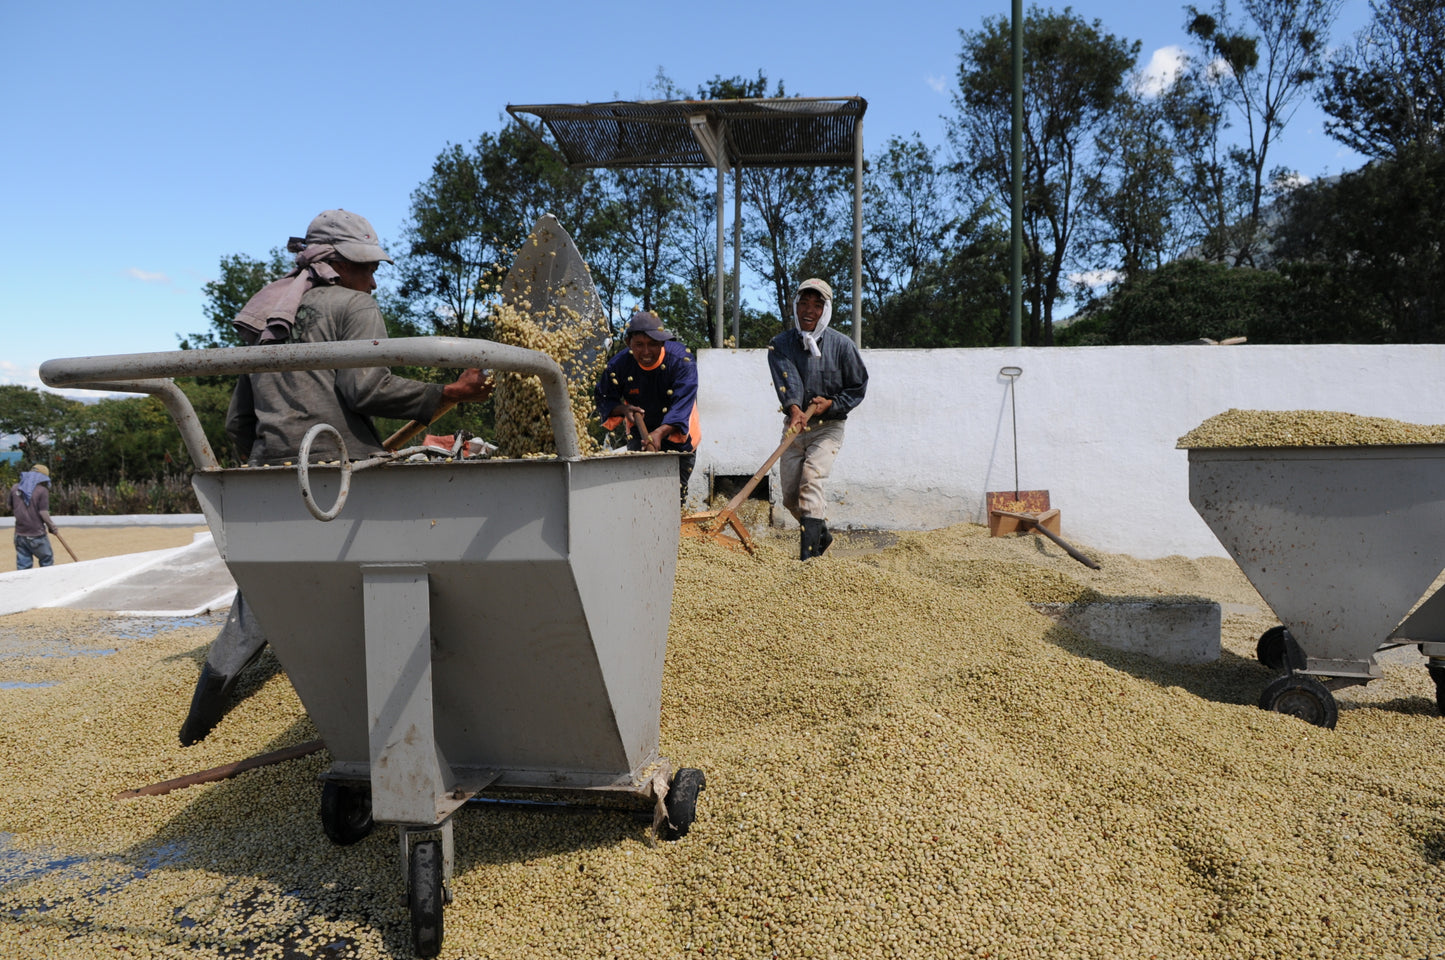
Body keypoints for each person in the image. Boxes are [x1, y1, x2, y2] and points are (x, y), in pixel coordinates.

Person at [182, 209, 495, 747]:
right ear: (336, 263)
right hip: (343, 470)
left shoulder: (270, 307)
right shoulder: (355, 305)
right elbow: (366, 389)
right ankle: (400, 700)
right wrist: (446, 393)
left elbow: (239, 417)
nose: (373, 279)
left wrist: (261, 467)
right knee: (390, 570)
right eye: (366, 267)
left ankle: (201, 712)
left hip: (270, 470)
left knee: (262, 592)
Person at [767, 278, 868, 560]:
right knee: (789, 496)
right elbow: (787, 383)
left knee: (811, 480)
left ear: (827, 310)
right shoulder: (780, 345)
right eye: (803, 303)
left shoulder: (842, 346)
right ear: (795, 307)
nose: (809, 310)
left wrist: (832, 404)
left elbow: (857, 387)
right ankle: (820, 532)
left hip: (828, 428)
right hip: (796, 427)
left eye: (817, 304)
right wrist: (794, 410)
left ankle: (809, 560)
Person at [595, 310, 700, 501]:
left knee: (674, 495)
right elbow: (604, 397)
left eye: (652, 344)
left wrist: (659, 433)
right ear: (629, 343)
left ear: (662, 343)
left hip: (679, 433)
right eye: (639, 345)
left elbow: (682, 404)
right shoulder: (618, 366)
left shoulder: (681, 361)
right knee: (640, 493)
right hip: (640, 433)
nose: (645, 352)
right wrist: (624, 409)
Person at [9, 464, 58, 570]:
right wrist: (52, 527)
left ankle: (24, 585)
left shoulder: (15, 488)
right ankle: (45, 584)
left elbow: (11, 507)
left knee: (23, 565)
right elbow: (43, 512)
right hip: (37, 534)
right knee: (46, 560)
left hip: (20, 535)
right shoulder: (42, 491)